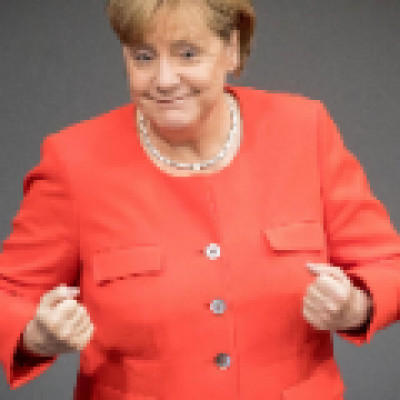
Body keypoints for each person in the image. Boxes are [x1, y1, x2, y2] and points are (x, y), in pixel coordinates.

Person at [1, 0, 400, 399]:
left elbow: (388, 266)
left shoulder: (303, 130)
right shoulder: (75, 160)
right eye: (143, 57)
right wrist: (36, 336)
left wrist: (356, 306)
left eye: (187, 54)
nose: (164, 79)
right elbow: (9, 296)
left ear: (232, 49)